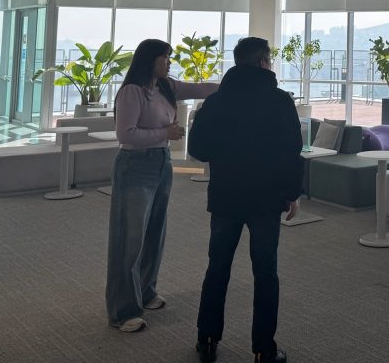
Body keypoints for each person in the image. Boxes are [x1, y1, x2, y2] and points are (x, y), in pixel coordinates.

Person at [188, 36, 303, 363]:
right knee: (265, 273)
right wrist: (292, 193)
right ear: (263, 62)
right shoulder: (280, 101)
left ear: (238, 62)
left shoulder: (216, 101)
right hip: (266, 199)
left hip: (225, 196)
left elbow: (198, 149)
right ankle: (263, 350)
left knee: (217, 267)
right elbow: (291, 151)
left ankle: (207, 340)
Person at [105, 38, 219, 333]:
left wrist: (235, 84)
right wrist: (164, 133)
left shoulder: (166, 86)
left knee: (155, 231)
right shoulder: (132, 91)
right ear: (150, 60)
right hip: (135, 165)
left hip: (161, 163)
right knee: (130, 237)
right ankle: (123, 310)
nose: (169, 62)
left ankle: (145, 291)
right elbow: (126, 135)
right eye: (165, 57)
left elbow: (200, 89)